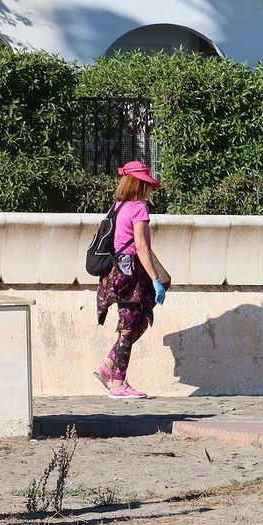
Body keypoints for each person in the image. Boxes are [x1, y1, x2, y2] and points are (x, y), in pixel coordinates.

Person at [93, 160, 171, 400]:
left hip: (115, 276)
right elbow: (141, 247)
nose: (148, 190)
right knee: (130, 328)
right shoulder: (138, 208)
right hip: (131, 277)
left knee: (135, 324)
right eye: (146, 184)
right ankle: (118, 382)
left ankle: (108, 365)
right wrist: (156, 279)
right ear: (139, 184)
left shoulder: (117, 206)